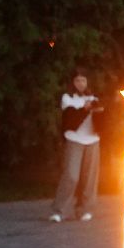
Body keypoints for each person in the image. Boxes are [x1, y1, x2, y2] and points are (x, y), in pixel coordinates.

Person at [50, 69, 103, 223]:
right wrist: (85, 109)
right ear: (73, 83)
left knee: (89, 177)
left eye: (83, 80)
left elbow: (102, 123)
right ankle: (59, 211)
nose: (81, 84)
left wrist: (100, 111)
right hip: (74, 140)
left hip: (92, 140)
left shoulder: (94, 98)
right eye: (77, 80)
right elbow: (70, 119)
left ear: (87, 82)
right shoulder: (68, 99)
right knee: (71, 176)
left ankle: (85, 209)